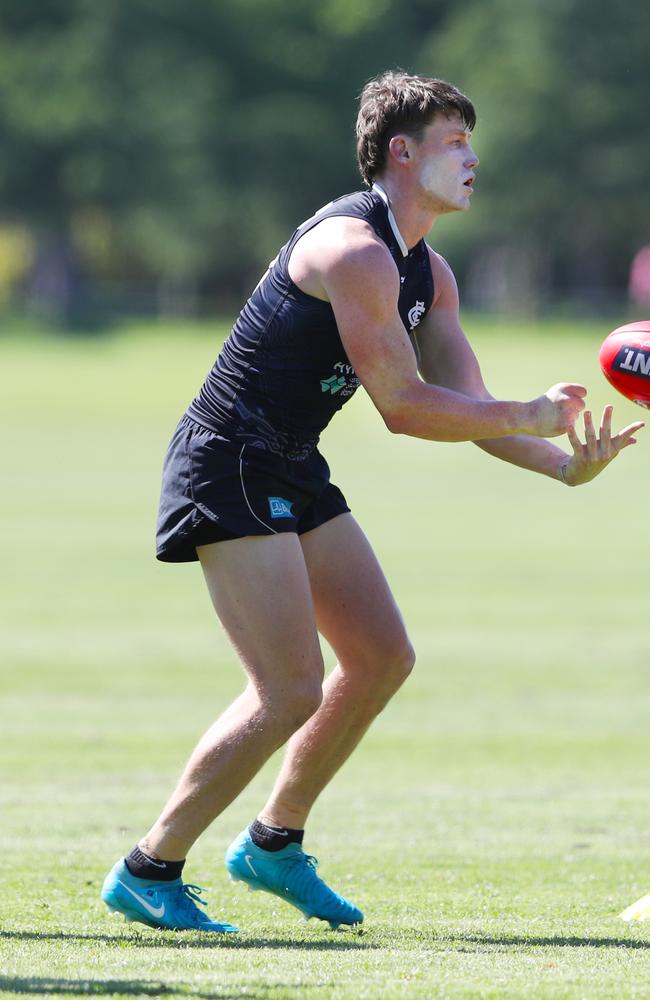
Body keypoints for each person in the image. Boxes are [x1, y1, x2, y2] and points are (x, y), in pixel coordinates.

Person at [101, 70, 644, 933]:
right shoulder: (352, 250)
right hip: (229, 460)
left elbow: (469, 406)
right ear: (402, 152)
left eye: (471, 141)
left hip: (289, 464)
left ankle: (274, 845)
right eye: (454, 142)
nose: (472, 159)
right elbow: (403, 408)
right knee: (288, 688)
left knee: (382, 656)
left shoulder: (430, 271)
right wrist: (524, 410)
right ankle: (149, 866)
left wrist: (560, 463)